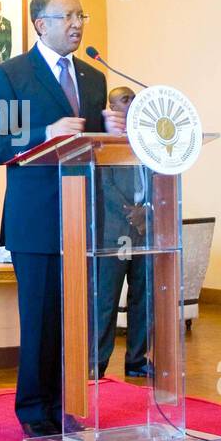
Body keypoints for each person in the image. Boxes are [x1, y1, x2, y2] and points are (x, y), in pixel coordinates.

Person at [0, 0, 126, 436]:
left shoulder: (93, 78)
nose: (78, 24)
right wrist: (47, 131)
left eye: (81, 16)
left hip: (82, 217)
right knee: (41, 320)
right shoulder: (12, 74)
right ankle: (33, 411)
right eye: (68, 17)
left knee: (73, 322)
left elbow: (90, 145)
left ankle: (67, 405)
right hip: (37, 219)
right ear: (41, 24)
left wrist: (112, 130)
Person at [95, 86, 152, 378]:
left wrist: (147, 211)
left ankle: (137, 360)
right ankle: (97, 363)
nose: (131, 104)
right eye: (124, 100)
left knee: (143, 299)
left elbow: (158, 177)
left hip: (147, 231)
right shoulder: (106, 142)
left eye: (134, 99)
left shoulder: (149, 139)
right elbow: (104, 185)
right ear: (112, 107)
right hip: (114, 233)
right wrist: (132, 213)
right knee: (106, 299)